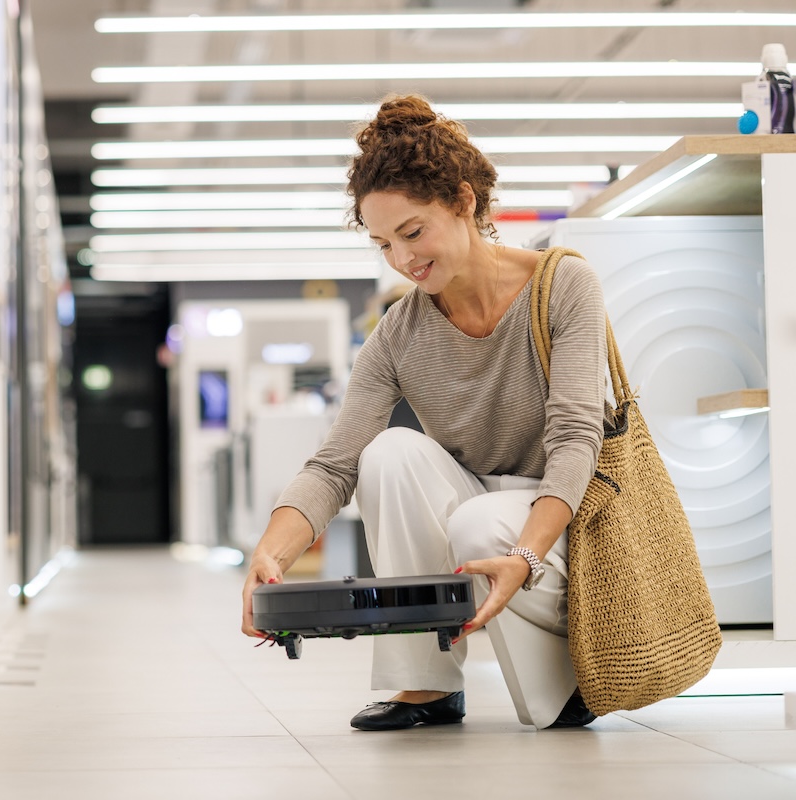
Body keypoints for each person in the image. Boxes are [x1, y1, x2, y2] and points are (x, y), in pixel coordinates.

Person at [239, 94, 610, 731]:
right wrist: (270, 552)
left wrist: (525, 554)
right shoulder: (398, 333)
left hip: (566, 515)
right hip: (480, 508)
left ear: (464, 202)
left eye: (413, 233)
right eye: (384, 244)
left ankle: (572, 674)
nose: (403, 260)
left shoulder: (563, 284)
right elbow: (335, 464)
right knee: (389, 453)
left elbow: (577, 439)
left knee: (477, 526)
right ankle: (423, 687)